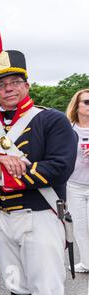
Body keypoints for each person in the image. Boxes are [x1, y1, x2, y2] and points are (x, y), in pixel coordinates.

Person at [0, 30, 77, 295]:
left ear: (27, 85)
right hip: (2, 217)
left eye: (15, 81)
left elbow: (60, 167)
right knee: (16, 288)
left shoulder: (51, 120)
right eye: (1, 84)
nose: (8, 88)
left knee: (45, 291)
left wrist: (2, 171)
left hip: (39, 215)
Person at [65, 88, 89, 273]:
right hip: (74, 185)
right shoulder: (68, 128)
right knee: (80, 227)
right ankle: (87, 262)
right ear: (77, 106)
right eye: (86, 102)